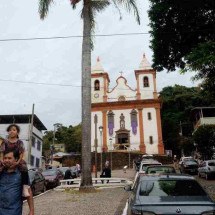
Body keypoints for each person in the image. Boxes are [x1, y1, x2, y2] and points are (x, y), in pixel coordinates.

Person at [0, 148, 34, 215]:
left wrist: (31, 211)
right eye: (5, 158)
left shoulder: (22, 174)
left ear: (16, 159)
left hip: (14, 211)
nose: (6, 160)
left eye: (9, 158)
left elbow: (28, 192)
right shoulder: (1, 173)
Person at [0, 124, 30, 197]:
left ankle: (25, 188)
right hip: (6, 159)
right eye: (10, 130)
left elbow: (21, 154)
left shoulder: (20, 142)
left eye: (14, 130)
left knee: (24, 167)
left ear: (17, 132)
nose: (11, 131)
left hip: (17, 160)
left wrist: (18, 162)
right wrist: (1, 161)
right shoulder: (5, 142)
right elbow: (1, 153)